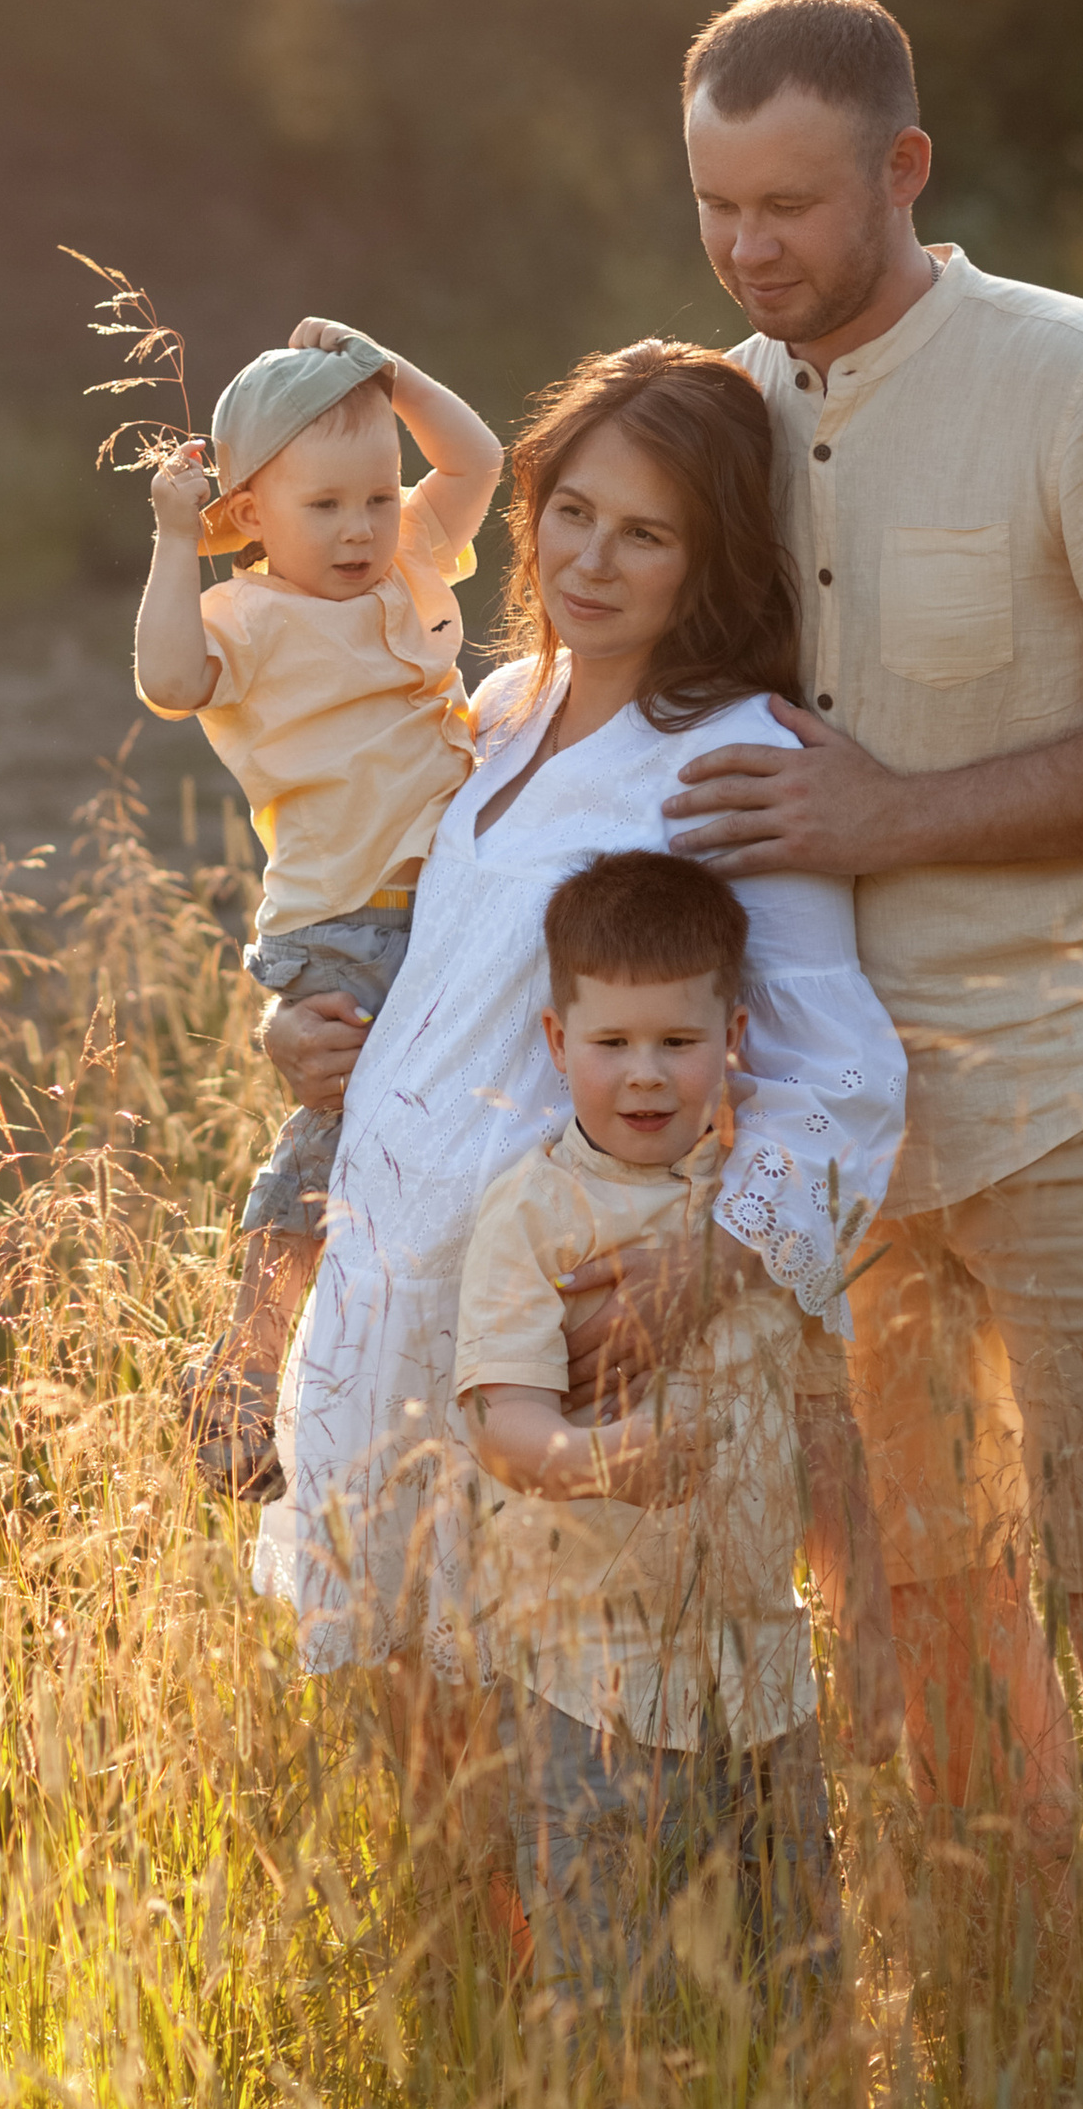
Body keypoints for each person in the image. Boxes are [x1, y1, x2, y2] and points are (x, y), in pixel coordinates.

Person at [655, 0, 1083, 2109]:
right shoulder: (721, 419)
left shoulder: (1070, 377)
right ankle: (1011, 2061)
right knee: (923, 1620)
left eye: (793, 203)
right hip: (845, 1132)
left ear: (901, 171)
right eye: (717, 206)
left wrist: (891, 815)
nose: (752, 250)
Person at [249, 340, 906, 1785]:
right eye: (573, 512)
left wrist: (715, 1261)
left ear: (710, 560)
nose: (594, 560)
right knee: (426, 1762)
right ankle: (474, 2017)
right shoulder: (491, 715)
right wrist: (297, 1037)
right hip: (391, 1300)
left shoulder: (731, 755)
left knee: (589, 1777)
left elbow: (840, 1076)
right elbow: (407, 950)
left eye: (648, 533)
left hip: (564, 1331)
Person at [453, 849, 839, 2021]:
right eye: (611, 1044)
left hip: (764, 1668)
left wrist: (855, 1600)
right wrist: (601, 1461)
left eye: (676, 1042)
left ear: (733, 1035)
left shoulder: (761, 1211)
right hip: (591, 1680)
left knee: (797, 1974)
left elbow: (824, 1410)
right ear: (557, 1041)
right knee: (602, 1982)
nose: (644, 1077)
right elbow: (506, 1427)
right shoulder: (532, 1212)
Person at [134, 314, 502, 1489]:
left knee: (431, 1134)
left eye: (376, 498)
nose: (359, 529)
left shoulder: (409, 563)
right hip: (341, 921)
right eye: (323, 507)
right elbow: (166, 681)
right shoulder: (241, 617)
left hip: (443, 906)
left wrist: (388, 371)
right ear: (246, 519)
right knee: (342, 1129)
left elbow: (480, 460)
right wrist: (170, 543)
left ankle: (404, 1378)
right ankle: (242, 1368)